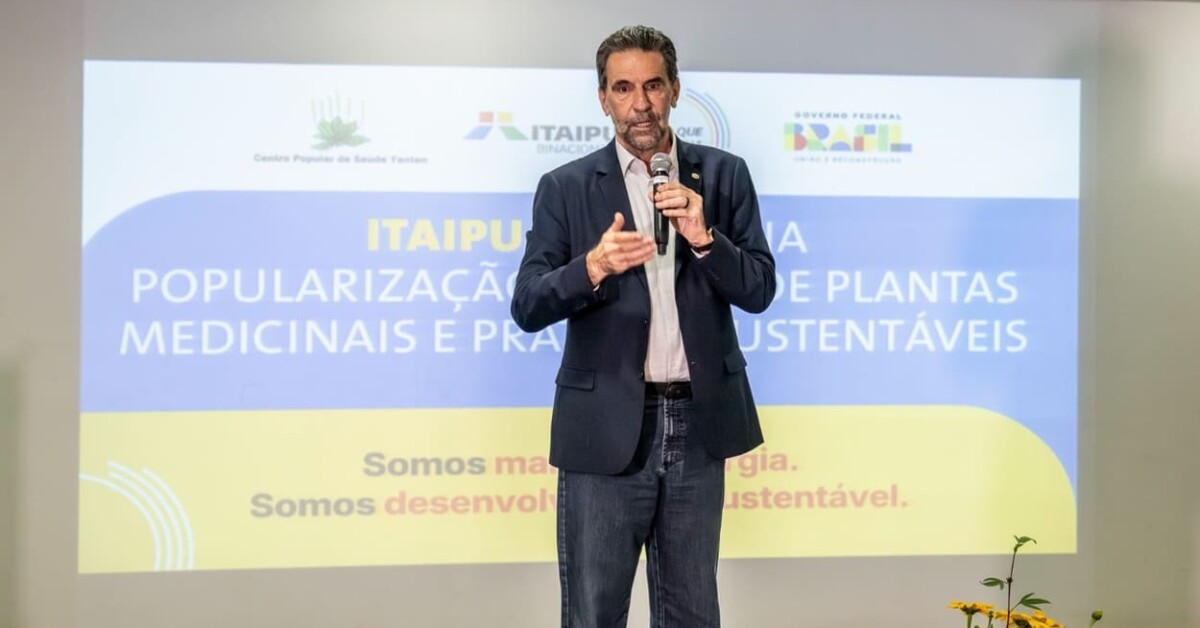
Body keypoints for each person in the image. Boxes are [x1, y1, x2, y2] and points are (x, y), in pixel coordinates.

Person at [510, 24, 775, 628]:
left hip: (699, 424)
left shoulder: (724, 175)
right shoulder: (566, 188)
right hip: (603, 428)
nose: (641, 104)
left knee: (692, 613)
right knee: (595, 612)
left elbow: (759, 289)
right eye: (623, 88)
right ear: (603, 98)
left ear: (675, 90)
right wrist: (592, 267)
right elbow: (527, 305)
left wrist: (706, 240)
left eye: (653, 86)